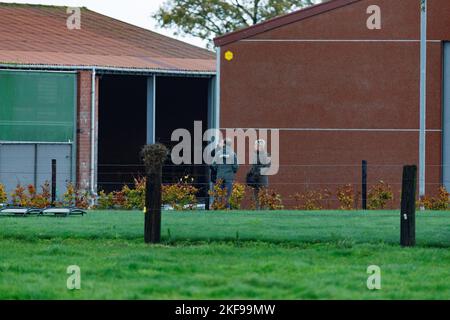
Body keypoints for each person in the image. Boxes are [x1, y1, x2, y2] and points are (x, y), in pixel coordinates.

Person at [211, 138, 239, 209]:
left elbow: (213, 165)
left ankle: (218, 207)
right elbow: (236, 166)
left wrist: (218, 170)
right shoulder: (233, 154)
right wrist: (232, 171)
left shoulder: (218, 153)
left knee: (219, 193)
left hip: (219, 176)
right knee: (228, 194)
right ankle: (227, 208)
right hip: (229, 177)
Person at [248, 139, 271, 210]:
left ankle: (264, 210)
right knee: (255, 196)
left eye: (260, 145)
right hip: (255, 179)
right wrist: (250, 173)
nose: (259, 146)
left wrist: (257, 172)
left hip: (262, 179)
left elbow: (267, 167)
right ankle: (257, 210)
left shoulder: (267, 155)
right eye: (258, 145)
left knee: (263, 196)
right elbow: (253, 166)